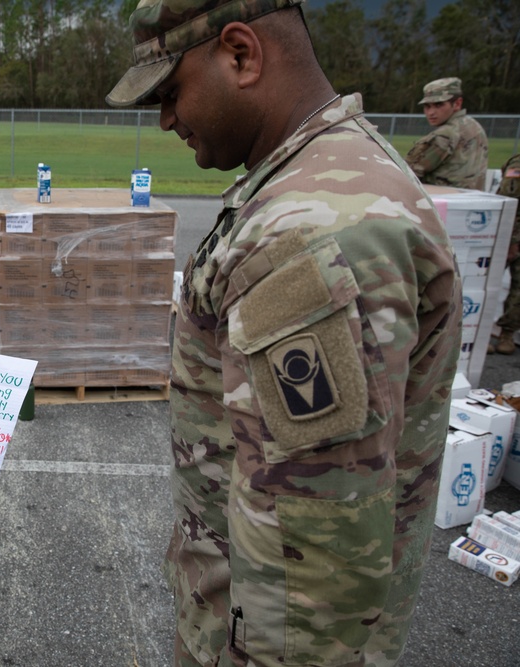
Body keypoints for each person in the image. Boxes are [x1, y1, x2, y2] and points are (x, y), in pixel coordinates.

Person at [106, 1, 462, 665]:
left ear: (241, 54)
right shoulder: (323, 179)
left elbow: (313, 558)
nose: (164, 119)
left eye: (170, 91)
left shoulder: (311, 230)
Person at [405, 77, 489, 190]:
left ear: (457, 103)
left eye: (439, 105)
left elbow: (406, 172)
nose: (431, 112)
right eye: (427, 106)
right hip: (474, 201)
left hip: (443, 201)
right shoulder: (474, 126)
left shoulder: (445, 135)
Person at [489, 154, 520, 354]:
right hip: (511, 234)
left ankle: (507, 333)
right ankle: (479, 336)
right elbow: (512, 201)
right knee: (486, 283)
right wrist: (512, 240)